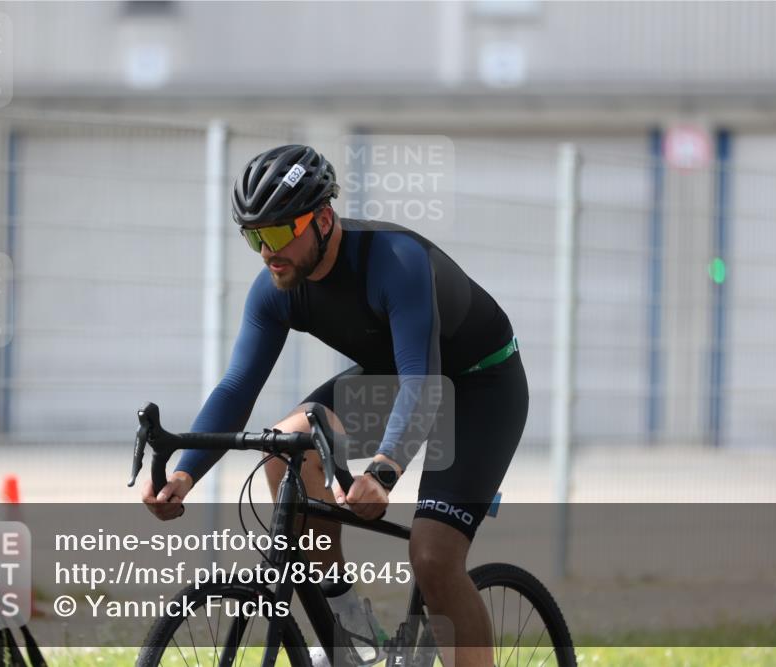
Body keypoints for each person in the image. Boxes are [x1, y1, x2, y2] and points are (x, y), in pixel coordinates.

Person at [141, 144, 528, 667]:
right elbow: (236, 388)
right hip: (398, 378)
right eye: (253, 235)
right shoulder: (276, 287)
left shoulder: (396, 261)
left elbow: (424, 381)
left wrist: (384, 470)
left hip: (481, 386)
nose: (265, 250)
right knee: (285, 447)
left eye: (278, 233)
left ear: (323, 219)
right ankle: (353, 635)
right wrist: (184, 475)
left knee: (433, 556)